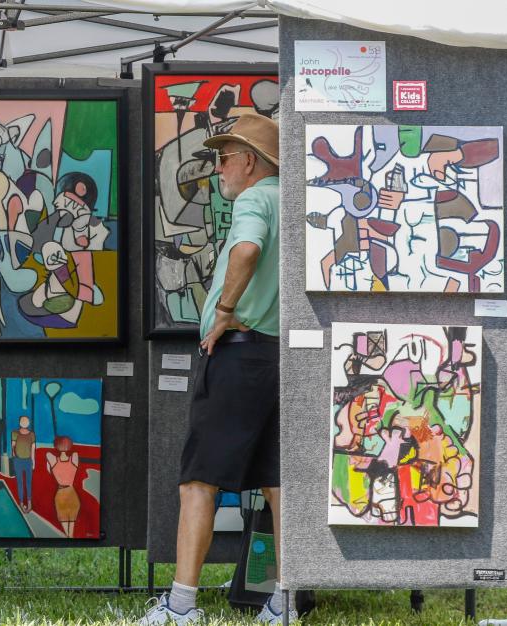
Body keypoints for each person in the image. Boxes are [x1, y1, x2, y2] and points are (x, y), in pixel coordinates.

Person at [137, 113, 294, 625]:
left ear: (250, 162)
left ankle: (181, 604)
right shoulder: (293, 202)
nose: (218, 169)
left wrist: (224, 310)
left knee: (198, 479)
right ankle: (284, 601)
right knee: (277, 482)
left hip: (240, 350)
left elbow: (246, 248)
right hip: (278, 355)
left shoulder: (253, 199)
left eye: (225, 157)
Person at [46, 436, 80, 537]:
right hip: (72, 494)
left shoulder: (53, 460)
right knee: (72, 526)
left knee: (65, 526)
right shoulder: (74, 457)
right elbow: (75, 453)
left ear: (56, 446)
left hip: (60, 495)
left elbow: (47, 454)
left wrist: (48, 465)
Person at [11, 415, 36, 513]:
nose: (25, 422)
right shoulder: (14, 433)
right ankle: (21, 502)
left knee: (28, 483)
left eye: (26, 421)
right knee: (20, 482)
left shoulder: (32, 434)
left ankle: (29, 502)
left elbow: (33, 450)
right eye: (23, 421)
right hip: (18, 461)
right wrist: (14, 458)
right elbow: (13, 447)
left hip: (27, 460)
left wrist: (33, 462)